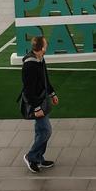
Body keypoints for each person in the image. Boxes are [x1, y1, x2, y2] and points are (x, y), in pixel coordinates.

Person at [21, 35, 59, 174]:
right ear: (41, 48)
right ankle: (31, 157)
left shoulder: (40, 59)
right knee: (46, 131)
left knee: (40, 131)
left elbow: (45, 78)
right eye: (45, 44)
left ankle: (38, 158)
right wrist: (36, 108)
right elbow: (28, 89)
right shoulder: (30, 65)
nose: (47, 45)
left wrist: (52, 93)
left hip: (42, 99)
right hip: (36, 102)